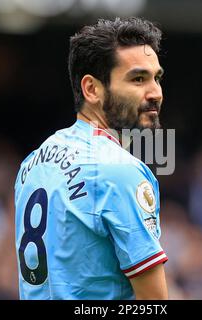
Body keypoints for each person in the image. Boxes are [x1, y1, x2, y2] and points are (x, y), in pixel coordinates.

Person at [14, 17, 168, 300]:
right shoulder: (121, 171)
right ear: (92, 89)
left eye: (156, 78)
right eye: (138, 79)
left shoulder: (32, 162)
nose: (155, 93)